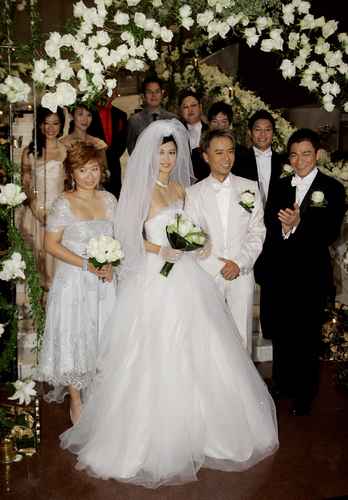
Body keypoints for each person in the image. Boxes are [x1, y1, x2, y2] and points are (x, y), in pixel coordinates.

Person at [60, 120, 278, 488]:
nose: (166, 157)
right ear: (149, 154)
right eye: (160, 152)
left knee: (201, 346)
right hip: (154, 277)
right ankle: (151, 437)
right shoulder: (141, 190)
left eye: (172, 151)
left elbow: (193, 227)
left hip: (186, 275)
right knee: (156, 351)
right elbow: (128, 235)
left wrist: (201, 244)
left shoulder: (181, 188)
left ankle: (208, 429)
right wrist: (159, 248)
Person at [258, 129, 347, 416]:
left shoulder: (333, 189)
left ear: (317, 155)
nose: (300, 160)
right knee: (283, 332)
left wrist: (298, 225)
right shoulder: (281, 185)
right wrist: (283, 229)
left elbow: (331, 232)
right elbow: (269, 224)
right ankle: (283, 383)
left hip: (311, 275)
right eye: (294, 154)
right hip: (280, 273)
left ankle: (306, 392)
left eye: (306, 154)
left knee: (306, 336)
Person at [34, 141, 117, 425]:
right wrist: (86, 264)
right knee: (75, 337)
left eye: (94, 168)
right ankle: (77, 401)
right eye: (83, 169)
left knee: (102, 337)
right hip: (73, 282)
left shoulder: (109, 201)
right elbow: (50, 244)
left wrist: (111, 266)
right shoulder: (63, 203)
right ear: (72, 172)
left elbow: (118, 241)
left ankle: (104, 396)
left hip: (104, 284)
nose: (90, 175)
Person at [185, 129, 266, 353]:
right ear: (206, 156)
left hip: (242, 273)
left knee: (242, 338)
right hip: (208, 275)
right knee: (210, 338)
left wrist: (238, 263)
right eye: (219, 152)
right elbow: (191, 238)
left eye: (230, 151)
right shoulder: (192, 194)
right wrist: (219, 266)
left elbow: (257, 231)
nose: (226, 158)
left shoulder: (249, 187)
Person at [20, 105, 67, 290]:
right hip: (36, 215)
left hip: (60, 215)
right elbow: (25, 184)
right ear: (39, 125)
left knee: (58, 265)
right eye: (46, 123)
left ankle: (54, 313)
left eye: (55, 123)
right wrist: (33, 208)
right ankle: (38, 315)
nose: (50, 128)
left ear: (61, 125)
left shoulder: (67, 151)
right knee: (37, 264)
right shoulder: (29, 152)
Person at [233, 110, 286, 209]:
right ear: (250, 132)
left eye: (267, 129)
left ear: (273, 132)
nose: (263, 134)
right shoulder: (238, 161)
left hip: (276, 219)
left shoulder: (283, 162)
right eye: (258, 129)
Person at [86, 72, 127, 199]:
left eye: (112, 87)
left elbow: (121, 145)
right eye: (104, 86)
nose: (109, 91)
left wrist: (108, 165)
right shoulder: (86, 113)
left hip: (114, 172)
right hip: (89, 171)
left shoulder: (121, 115)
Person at [127, 75, 178, 155]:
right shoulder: (134, 120)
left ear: (162, 94)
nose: (154, 95)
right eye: (149, 92)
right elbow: (132, 151)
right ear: (143, 96)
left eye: (157, 91)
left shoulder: (173, 119)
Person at [60, 98, 109, 175]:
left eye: (89, 115)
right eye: (80, 114)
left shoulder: (98, 144)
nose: (85, 119)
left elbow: (105, 173)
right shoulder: (61, 144)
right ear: (71, 116)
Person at [179, 89, 209, 182]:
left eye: (193, 105)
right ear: (180, 111)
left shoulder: (211, 131)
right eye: (185, 107)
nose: (190, 109)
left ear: (200, 107)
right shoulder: (176, 133)